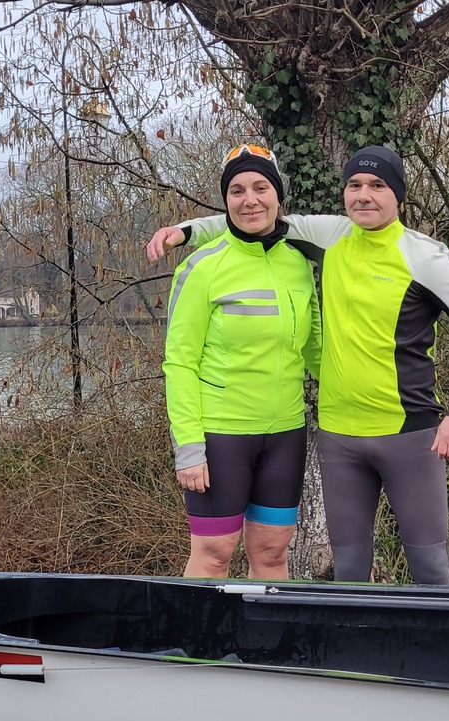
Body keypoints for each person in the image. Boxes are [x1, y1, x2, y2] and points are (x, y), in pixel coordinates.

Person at [147, 145, 449, 585]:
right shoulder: (330, 235)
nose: (364, 194)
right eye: (354, 184)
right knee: (348, 576)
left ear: (399, 195)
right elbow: (251, 218)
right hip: (337, 440)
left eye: (378, 185)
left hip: (407, 434)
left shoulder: (423, 257)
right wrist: (185, 232)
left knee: (430, 572)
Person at [162, 143, 321, 580]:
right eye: (237, 191)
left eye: (260, 188)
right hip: (221, 435)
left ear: (278, 196)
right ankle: (198, 629)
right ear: (226, 200)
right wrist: (188, 447)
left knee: (271, 554)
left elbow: (314, 349)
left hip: (285, 434)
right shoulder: (202, 267)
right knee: (214, 554)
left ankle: (264, 630)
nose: (249, 200)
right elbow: (179, 363)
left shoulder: (298, 263)